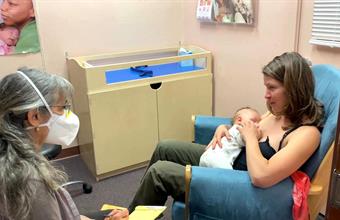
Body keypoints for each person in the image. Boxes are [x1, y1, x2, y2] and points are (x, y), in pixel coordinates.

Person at [128, 52, 324, 212]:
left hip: (236, 186)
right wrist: (224, 128)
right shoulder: (278, 113)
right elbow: (246, 127)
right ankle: (135, 211)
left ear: (293, 89)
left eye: (271, 88)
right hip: (226, 160)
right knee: (165, 147)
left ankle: (132, 215)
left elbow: (262, 176)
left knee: (160, 173)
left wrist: (250, 139)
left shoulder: (306, 134)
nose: (266, 95)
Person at [0, 68, 129, 220]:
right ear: (34, 116)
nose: (68, 115)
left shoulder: (11, 152)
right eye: (62, 108)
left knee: (110, 213)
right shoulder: (31, 183)